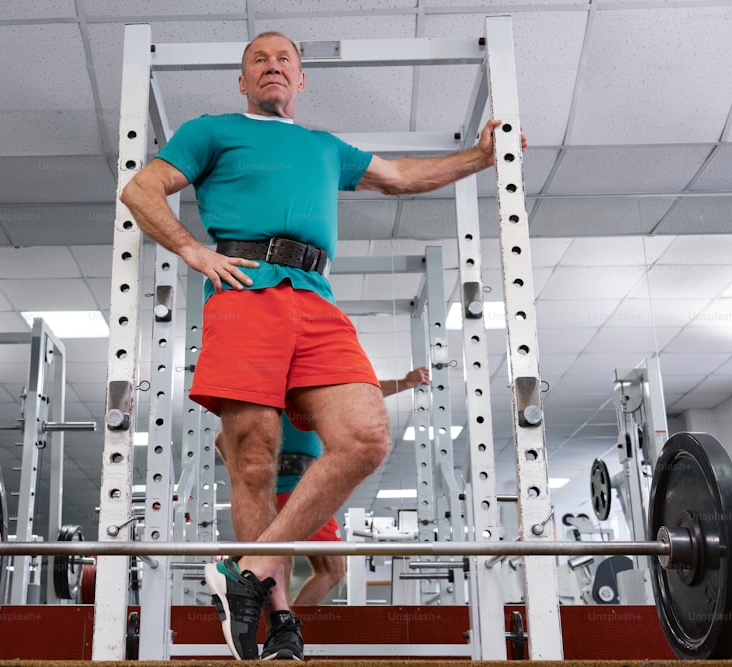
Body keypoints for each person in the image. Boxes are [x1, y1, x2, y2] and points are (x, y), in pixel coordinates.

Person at [120, 30, 525, 661]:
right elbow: (141, 190)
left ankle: (245, 573)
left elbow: (401, 177)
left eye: (286, 59)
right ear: (243, 79)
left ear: (302, 79)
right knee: (253, 456)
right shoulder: (211, 130)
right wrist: (193, 251)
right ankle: (277, 617)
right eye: (260, 59)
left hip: (314, 297)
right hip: (244, 287)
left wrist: (481, 158)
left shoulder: (324, 147)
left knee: (365, 438)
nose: (273, 66)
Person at [216, 367, 431, 606]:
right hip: (299, 493)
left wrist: (246, 476)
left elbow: (222, 440)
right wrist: (404, 382)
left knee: (277, 563)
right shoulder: (301, 391)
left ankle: (280, 626)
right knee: (332, 569)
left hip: (273, 494)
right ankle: (287, 625)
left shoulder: (266, 401)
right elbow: (363, 395)